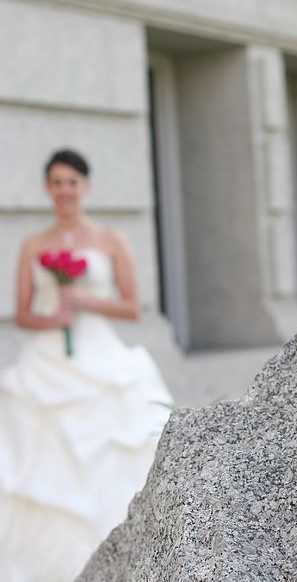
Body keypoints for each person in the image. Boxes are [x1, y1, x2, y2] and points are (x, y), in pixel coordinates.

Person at [0, 149, 175, 581]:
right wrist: (52, 317)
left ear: (85, 186)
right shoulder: (34, 245)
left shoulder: (111, 240)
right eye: (56, 182)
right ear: (47, 189)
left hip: (101, 356)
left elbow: (132, 307)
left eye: (71, 182)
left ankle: (123, 553)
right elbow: (21, 313)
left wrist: (84, 300)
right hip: (46, 361)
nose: (64, 190)